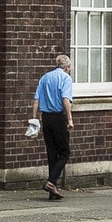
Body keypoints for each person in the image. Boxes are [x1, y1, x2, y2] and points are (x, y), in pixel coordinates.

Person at [33, 52, 75, 198]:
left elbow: (36, 100)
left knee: (52, 153)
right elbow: (65, 99)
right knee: (64, 152)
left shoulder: (45, 78)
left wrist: (34, 119)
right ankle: (51, 182)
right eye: (70, 68)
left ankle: (52, 191)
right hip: (58, 117)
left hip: (46, 118)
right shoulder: (66, 78)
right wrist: (69, 119)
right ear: (67, 67)